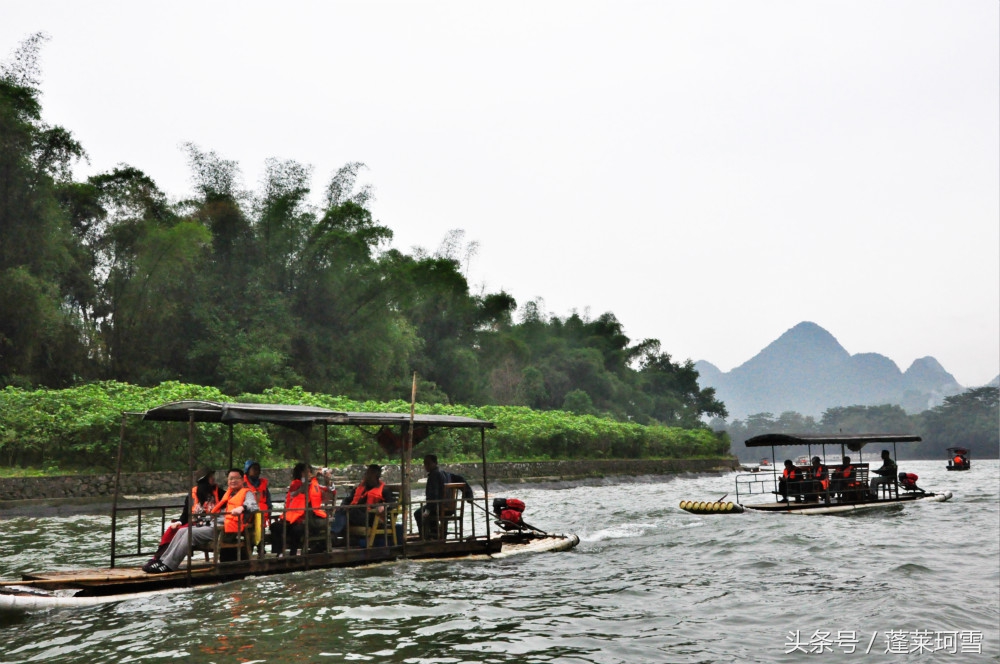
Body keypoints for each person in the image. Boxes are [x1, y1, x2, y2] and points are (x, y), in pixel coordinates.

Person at [146, 468, 258, 573]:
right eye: (230, 478)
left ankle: (169, 565)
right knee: (181, 531)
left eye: (236, 478)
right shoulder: (228, 494)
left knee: (191, 533)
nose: (233, 481)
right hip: (214, 525)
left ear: (242, 479)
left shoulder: (246, 493)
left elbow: (253, 506)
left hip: (226, 530)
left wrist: (242, 508)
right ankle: (162, 561)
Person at [332, 464, 397, 542]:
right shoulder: (360, 487)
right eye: (367, 474)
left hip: (370, 517)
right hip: (356, 514)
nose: (367, 476)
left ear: (377, 476)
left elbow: (393, 503)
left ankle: (333, 534)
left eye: (370, 474)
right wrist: (343, 505)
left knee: (349, 512)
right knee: (341, 510)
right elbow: (348, 499)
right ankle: (333, 534)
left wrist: (384, 506)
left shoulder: (384, 490)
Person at [414, 453, 450, 539]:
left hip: (438, 506)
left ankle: (424, 537)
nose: (426, 466)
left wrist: (428, 509)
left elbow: (434, 494)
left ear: (435, 463)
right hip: (446, 505)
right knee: (426, 511)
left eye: (428, 463)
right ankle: (435, 533)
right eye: (425, 463)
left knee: (418, 513)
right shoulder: (443, 473)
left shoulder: (434, 475)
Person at [242, 460, 271, 527]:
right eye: (254, 469)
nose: (257, 471)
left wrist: (269, 512)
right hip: (248, 517)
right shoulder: (242, 484)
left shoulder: (263, 485)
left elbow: (268, 501)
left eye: (258, 469)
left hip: (262, 516)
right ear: (247, 470)